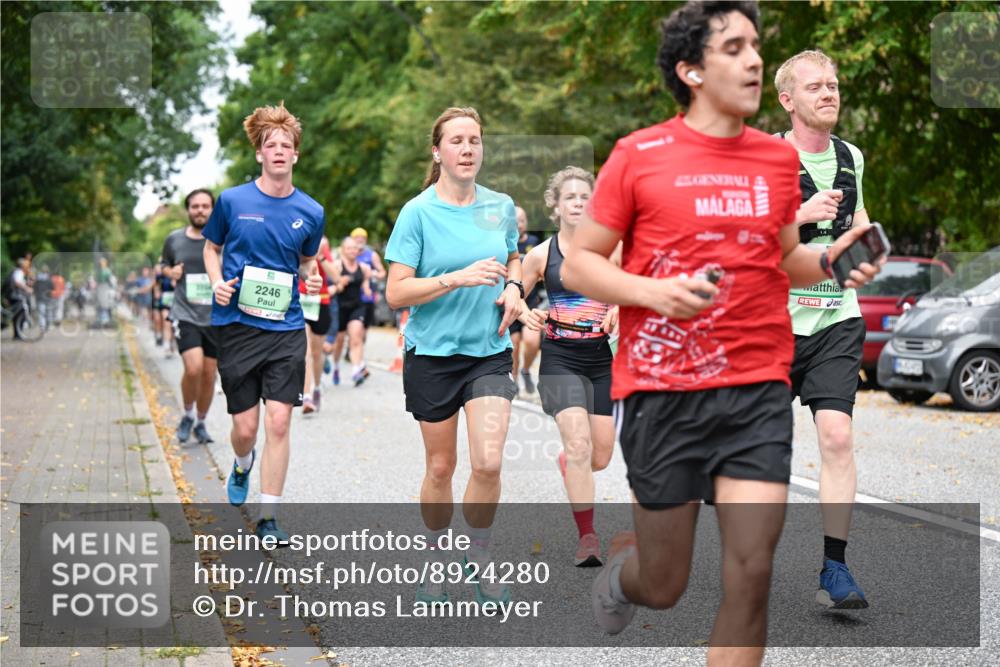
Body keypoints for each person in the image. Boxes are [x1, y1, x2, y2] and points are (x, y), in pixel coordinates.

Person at [561, 2, 881, 663]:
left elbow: (786, 259)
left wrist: (833, 261)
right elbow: (579, 262)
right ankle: (629, 573)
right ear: (691, 70)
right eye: (734, 47)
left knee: (751, 569)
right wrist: (652, 292)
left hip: (757, 382)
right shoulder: (638, 154)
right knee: (666, 579)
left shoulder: (773, 160)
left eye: (756, 45)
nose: (755, 59)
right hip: (664, 386)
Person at [385, 106, 521, 606]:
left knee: (487, 462)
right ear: (437, 150)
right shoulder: (417, 212)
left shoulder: (500, 205)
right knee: (441, 468)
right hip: (434, 354)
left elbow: (514, 255)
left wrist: (516, 285)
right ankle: (437, 560)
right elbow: (396, 294)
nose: (467, 150)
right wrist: (455, 278)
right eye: (457, 141)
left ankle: (479, 559)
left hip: (488, 350)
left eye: (475, 141)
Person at [203, 102, 324, 542]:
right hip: (236, 325)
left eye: (286, 145)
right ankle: (241, 463)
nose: (278, 150)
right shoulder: (232, 201)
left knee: (278, 422)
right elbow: (211, 248)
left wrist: (309, 279)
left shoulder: (310, 211)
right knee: (245, 428)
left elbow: (307, 262)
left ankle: (269, 516)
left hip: (285, 328)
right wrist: (216, 282)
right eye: (270, 144)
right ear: (259, 153)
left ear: (295, 155)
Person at [776, 49, 871, 609]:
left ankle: (835, 569)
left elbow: (857, 222)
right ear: (788, 100)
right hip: (771, 321)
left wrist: (868, 244)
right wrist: (802, 217)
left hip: (837, 316)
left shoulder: (850, 156)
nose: (828, 93)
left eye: (833, 85)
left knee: (837, 438)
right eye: (815, 87)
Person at [518, 167, 618, 566]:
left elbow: (631, 289)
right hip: (559, 356)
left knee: (600, 457)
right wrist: (526, 313)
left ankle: (571, 463)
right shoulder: (541, 255)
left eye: (584, 197)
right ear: (555, 207)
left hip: (600, 357)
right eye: (570, 197)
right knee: (578, 445)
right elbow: (513, 296)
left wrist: (619, 310)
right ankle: (588, 538)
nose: (578, 203)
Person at [162, 188, 220, 445]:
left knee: (209, 374)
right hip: (185, 312)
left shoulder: (224, 240)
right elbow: (163, 265)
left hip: (216, 316)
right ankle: (186, 414)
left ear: (212, 209)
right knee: (193, 367)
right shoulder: (174, 239)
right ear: (188, 210)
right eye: (195, 206)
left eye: (205, 206)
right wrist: (170, 272)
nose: (200, 211)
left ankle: (200, 422)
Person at [301, 236, 340, 412]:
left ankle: (316, 387)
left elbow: (337, 278)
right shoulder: (297, 245)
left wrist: (321, 257)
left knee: (317, 353)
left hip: (321, 303)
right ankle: (306, 395)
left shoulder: (323, 248)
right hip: (300, 302)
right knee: (306, 350)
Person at [328, 236, 373, 387]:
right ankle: (335, 366)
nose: (353, 251)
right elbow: (331, 286)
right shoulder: (337, 266)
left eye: (355, 248)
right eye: (349, 248)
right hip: (340, 308)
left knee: (356, 337)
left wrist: (366, 288)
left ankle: (356, 370)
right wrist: (340, 283)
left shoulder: (364, 268)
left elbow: (365, 281)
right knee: (339, 342)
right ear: (343, 250)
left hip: (356, 306)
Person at [510, 206, 543, 393]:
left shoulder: (534, 242)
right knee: (513, 344)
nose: (519, 224)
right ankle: (513, 380)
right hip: (510, 300)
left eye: (522, 220)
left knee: (532, 340)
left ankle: (525, 370)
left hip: (530, 300)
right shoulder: (505, 243)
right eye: (515, 221)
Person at [351, 226, 387, 330]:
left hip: (367, 296)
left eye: (363, 237)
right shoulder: (348, 253)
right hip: (352, 295)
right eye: (357, 237)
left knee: (364, 329)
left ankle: (359, 345)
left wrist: (371, 273)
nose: (360, 240)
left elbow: (382, 273)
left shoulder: (371, 255)